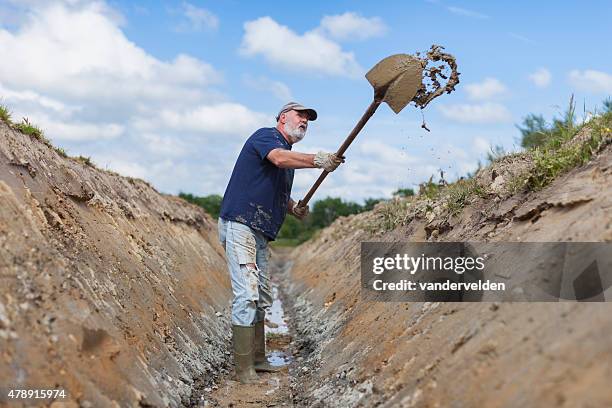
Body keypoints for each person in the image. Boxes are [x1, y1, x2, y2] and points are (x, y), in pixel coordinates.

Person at [218, 102, 343, 383]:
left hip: (260, 231)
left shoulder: (286, 161)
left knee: (261, 297)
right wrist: (318, 160)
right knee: (247, 294)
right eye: (301, 116)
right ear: (283, 117)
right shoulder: (268, 137)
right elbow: (278, 158)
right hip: (240, 224)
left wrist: (293, 207)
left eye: (308, 120)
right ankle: (243, 370)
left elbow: (272, 191)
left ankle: (259, 360)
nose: (305, 122)